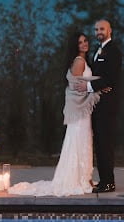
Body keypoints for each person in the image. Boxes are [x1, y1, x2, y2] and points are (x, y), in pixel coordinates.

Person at [8, 32, 106, 197]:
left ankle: (84, 178)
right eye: (80, 42)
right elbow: (76, 87)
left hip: (83, 112)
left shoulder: (83, 61)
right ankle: (78, 179)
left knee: (83, 143)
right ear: (75, 46)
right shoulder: (79, 61)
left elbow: (84, 83)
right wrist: (99, 85)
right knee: (79, 143)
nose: (84, 44)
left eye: (85, 41)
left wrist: (98, 84)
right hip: (79, 112)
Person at [75, 19, 122, 193]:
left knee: (105, 144)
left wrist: (88, 86)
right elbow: (98, 75)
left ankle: (108, 183)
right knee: (101, 144)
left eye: (102, 29)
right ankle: (104, 181)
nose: (98, 32)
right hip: (97, 104)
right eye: (96, 30)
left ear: (110, 30)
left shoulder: (113, 51)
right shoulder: (98, 49)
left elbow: (110, 79)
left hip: (107, 105)